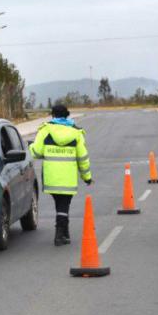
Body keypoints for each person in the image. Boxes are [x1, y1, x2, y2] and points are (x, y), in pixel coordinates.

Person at [29, 104, 92, 246]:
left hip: (52, 177)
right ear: (67, 115)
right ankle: (59, 234)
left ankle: (65, 233)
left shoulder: (46, 130)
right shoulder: (76, 132)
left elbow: (36, 152)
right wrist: (86, 176)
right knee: (64, 204)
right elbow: (83, 158)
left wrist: (30, 146)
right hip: (68, 178)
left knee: (61, 204)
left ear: (52, 115)